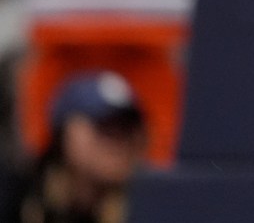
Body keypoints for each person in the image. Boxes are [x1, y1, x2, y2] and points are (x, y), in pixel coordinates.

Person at [4, 71, 147, 223]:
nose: (119, 142)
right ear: (65, 134)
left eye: (127, 129)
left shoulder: (150, 207)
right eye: (106, 127)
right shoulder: (15, 195)